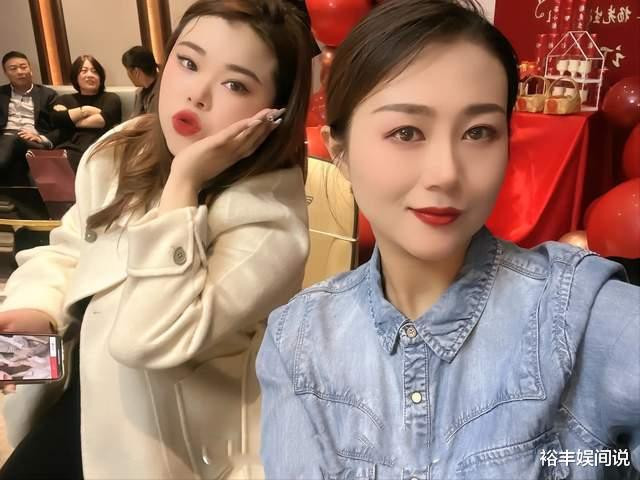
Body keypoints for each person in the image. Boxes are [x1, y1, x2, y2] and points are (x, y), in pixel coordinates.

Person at [257, 0, 640, 478]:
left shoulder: (581, 317)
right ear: (341, 152)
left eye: (478, 132)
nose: (446, 173)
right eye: (406, 132)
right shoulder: (299, 341)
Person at [0, 0, 315, 478]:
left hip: (156, 451)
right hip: (72, 404)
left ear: (275, 112)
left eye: (235, 84)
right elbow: (70, 250)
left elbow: (144, 341)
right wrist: (35, 313)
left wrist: (184, 183)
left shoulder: (268, 223)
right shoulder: (121, 151)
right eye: (188, 62)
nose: (197, 95)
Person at [51, 55, 122, 171]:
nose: (90, 75)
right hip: (67, 148)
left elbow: (102, 121)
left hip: (97, 148)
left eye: (94, 71)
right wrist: (87, 110)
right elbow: (56, 119)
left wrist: (69, 119)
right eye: (84, 71)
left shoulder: (111, 98)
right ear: (75, 77)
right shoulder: (64, 99)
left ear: (100, 77)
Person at [0, 51, 60, 185]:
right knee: (15, 161)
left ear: (30, 69)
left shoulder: (48, 95)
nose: (20, 72)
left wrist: (41, 138)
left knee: (13, 138)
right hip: (4, 140)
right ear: (6, 73)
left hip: (33, 141)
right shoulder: (1, 94)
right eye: (13, 69)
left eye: (23, 67)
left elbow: (60, 126)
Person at [122, 45, 159, 116]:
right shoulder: (140, 92)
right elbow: (134, 118)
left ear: (136, 72)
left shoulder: (162, 91)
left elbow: (153, 120)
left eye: (127, 70)